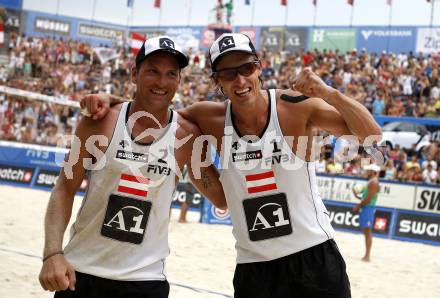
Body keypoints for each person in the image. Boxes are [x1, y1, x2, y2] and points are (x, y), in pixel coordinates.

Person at [82, 33, 382, 298]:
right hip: (254, 267)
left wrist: (328, 93)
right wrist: (110, 99)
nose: (239, 80)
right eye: (228, 73)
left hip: (313, 256)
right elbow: (155, 108)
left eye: (246, 69)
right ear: (217, 81)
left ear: (259, 68)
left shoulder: (295, 106)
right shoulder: (208, 117)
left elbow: (372, 135)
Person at [38, 36, 226, 298]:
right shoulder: (99, 123)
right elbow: (64, 188)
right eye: (153, 71)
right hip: (81, 273)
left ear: (179, 81)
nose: (162, 82)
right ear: (135, 74)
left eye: (171, 74)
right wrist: (52, 252)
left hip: (145, 281)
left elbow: (222, 198)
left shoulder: (187, 136)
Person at [352, 163, 381, 262]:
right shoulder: (371, 182)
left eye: (368, 170)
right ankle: (366, 255)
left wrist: (358, 205)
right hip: (366, 208)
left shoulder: (374, 182)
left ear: (373, 172)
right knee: (366, 232)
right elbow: (365, 197)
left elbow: (368, 200)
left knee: (368, 232)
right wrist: (356, 195)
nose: (366, 172)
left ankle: (367, 256)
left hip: (368, 208)